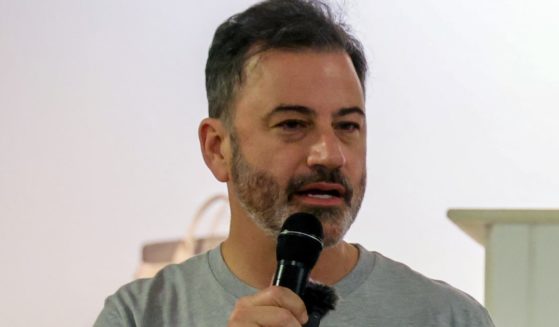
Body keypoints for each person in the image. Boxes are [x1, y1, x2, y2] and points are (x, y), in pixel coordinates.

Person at [95, 0, 495, 326]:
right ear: (218, 148)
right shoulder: (142, 315)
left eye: (347, 125)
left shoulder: (447, 318)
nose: (330, 154)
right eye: (292, 124)